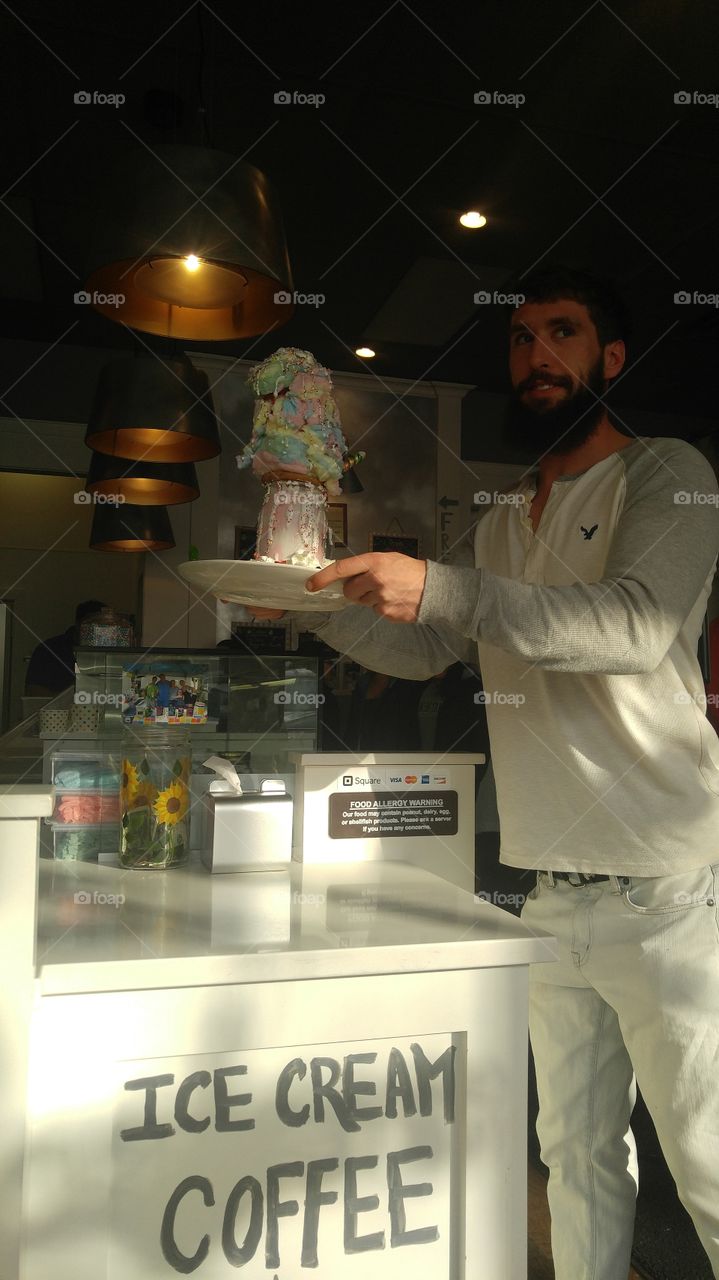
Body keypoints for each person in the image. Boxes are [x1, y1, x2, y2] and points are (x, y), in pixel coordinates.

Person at [247, 264, 719, 1279]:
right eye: (517, 339)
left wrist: (443, 586)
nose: (535, 354)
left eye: (561, 331)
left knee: (707, 1165)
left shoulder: (665, 471)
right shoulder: (507, 512)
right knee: (571, 1154)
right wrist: (312, 598)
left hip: (667, 888)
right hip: (549, 890)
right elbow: (430, 645)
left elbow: (632, 628)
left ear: (609, 357)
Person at [25, 600, 105, 696]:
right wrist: (71, 698)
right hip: (58, 710)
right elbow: (34, 692)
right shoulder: (50, 650)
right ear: (79, 624)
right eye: (92, 625)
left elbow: (126, 696)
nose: (98, 631)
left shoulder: (116, 651)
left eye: (104, 627)